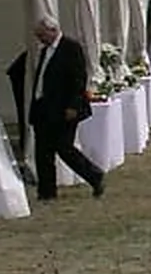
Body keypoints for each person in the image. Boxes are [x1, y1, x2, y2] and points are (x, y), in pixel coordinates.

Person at [29, 17, 105, 200]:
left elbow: (78, 79)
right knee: (43, 151)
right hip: (44, 107)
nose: (40, 39)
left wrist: (73, 105)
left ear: (52, 30)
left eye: (41, 34)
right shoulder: (45, 51)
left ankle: (94, 175)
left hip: (64, 109)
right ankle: (47, 191)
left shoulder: (71, 48)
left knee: (64, 148)